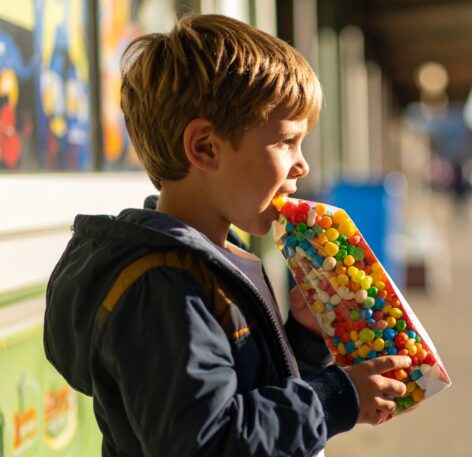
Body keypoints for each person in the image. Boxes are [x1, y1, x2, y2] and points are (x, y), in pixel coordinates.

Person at [43, 14, 409, 457]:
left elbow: (247, 389)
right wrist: (334, 399)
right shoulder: (162, 286)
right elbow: (207, 440)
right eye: (286, 141)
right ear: (205, 148)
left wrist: (307, 342)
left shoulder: (222, 259)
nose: (302, 165)